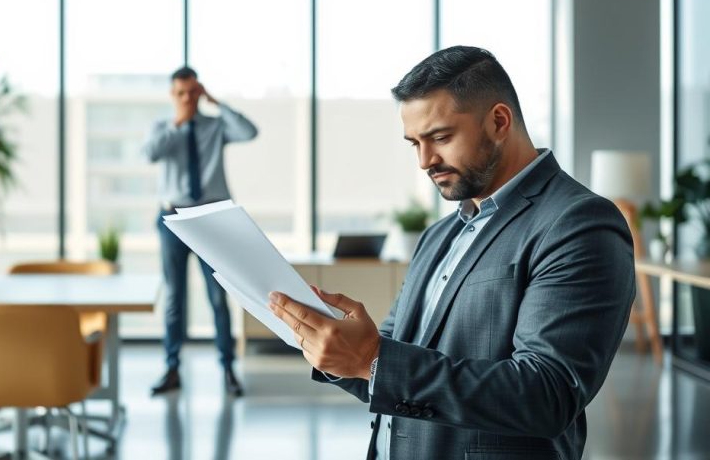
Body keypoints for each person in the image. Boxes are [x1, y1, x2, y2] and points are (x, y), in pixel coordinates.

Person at [269, 46, 635, 460]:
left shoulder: (579, 224)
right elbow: (391, 360)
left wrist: (372, 357)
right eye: (414, 143)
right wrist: (337, 348)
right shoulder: (440, 234)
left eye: (441, 137)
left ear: (499, 121)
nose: (425, 160)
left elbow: (546, 394)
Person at [143, 66, 258, 397]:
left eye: (193, 93)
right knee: (174, 297)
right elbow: (149, 154)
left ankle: (227, 370)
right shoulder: (163, 128)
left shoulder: (216, 125)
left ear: (200, 92)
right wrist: (178, 123)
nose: (187, 99)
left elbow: (250, 131)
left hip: (212, 219)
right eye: (181, 93)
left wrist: (217, 103)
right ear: (172, 95)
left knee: (218, 296)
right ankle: (172, 368)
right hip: (172, 218)